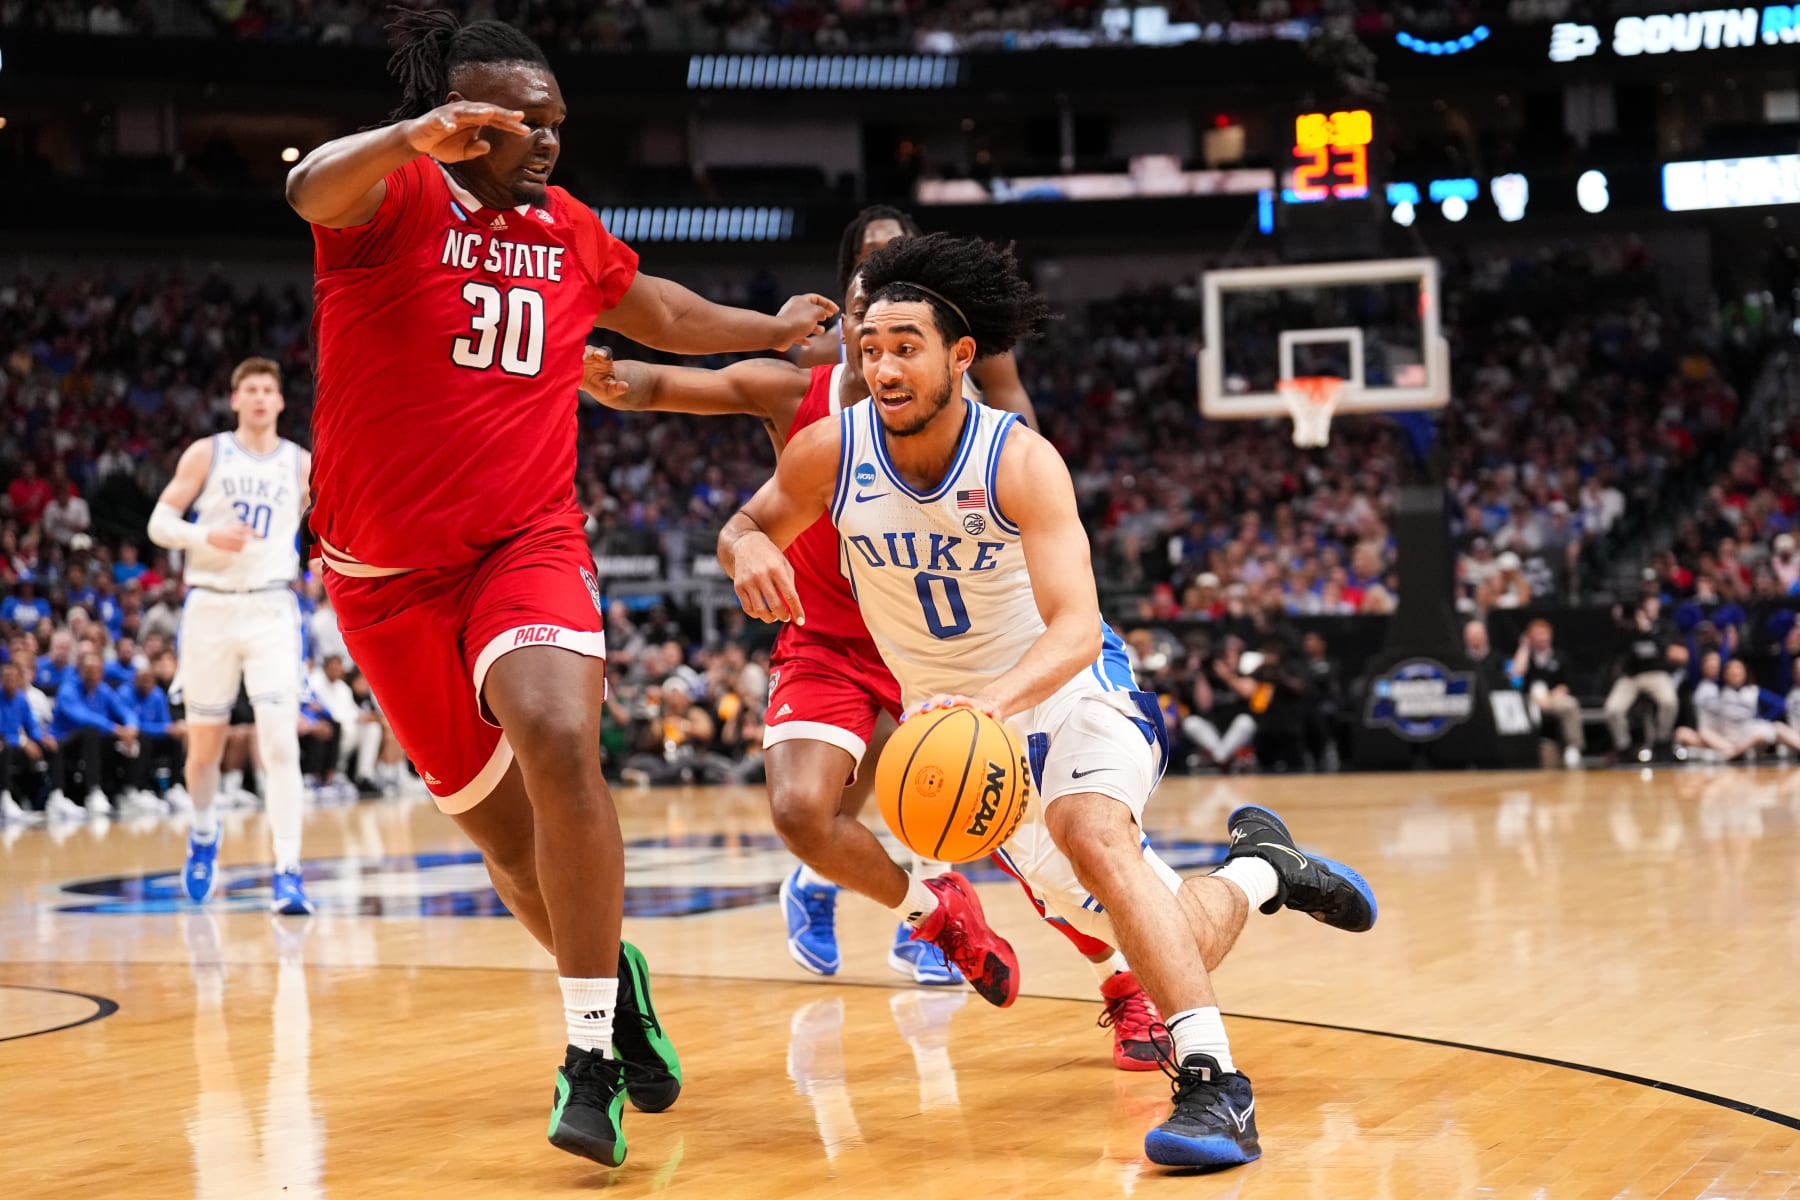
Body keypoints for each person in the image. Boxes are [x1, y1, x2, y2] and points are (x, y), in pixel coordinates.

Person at [282, 7, 832, 1166]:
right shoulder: (394, 200)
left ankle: (588, 1055)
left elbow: (664, 314)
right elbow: (307, 188)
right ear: (463, 121)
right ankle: (614, 984)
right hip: (382, 583)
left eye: (556, 120)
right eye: (526, 120)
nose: (548, 138)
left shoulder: (567, 227)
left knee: (559, 738)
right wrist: (409, 137)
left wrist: (777, 332)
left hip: (522, 542)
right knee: (511, 852)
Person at [718, 232, 1376, 1168]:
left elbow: (1075, 626)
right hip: (964, 732)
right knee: (1170, 938)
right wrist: (745, 545)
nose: (884, 367)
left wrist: (989, 703)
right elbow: (748, 522)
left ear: (959, 355)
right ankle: (1263, 873)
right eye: (871, 349)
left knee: (1089, 828)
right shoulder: (829, 451)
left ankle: (1215, 1087)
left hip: (1069, 687)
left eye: (906, 347)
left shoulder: (1018, 460)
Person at [584, 272, 1171, 1071]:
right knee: (801, 810)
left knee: (1025, 837)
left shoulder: (975, 428)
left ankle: (1122, 977)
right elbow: (657, 386)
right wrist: (591, 369)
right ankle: (933, 910)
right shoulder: (804, 404)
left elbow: (1023, 463)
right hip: (829, 639)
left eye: (906, 331)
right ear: (845, 319)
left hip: (944, 653)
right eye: (867, 318)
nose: (883, 348)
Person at [148, 356, 315, 915]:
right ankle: (203, 832)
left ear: (281, 401)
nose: (261, 397)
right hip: (210, 608)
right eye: (252, 389)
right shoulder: (208, 452)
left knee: (280, 744)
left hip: (271, 606)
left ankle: (288, 871)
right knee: (204, 750)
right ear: (236, 399)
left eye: (269, 389)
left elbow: (332, 525)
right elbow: (158, 523)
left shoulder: (301, 463)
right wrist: (205, 536)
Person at [50, 651, 138, 816]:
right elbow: (82, 717)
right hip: (63, 742)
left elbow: (125, 711)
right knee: (91, 732)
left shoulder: (103, 690)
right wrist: (115, 729)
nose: (92, 674)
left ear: (102, 672)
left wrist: (131, 727)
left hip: (94, 742)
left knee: (132, 740)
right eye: (88, 670)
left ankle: (128, 791)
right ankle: (94, 792)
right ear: (80, 670)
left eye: (96, 671)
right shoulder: (68, 689)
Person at [1602, 596, 1678, 760]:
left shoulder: (1662, 627)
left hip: (1656, 674)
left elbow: (1665, 651)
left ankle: (1662, 741)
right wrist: (1625, 626)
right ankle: (1624, 747)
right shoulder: (1627, 629)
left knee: (1669, 702)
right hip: (1632, 676)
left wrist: (1648, 630)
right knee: (1613, 709)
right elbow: (1618, 652)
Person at [1509, 618, 1584, 768]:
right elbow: (1516, 674)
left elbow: (1566, 686)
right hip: (1530, 700)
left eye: (1545, 633)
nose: (1542, 637)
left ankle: (1573, 747)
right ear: (1530, 636)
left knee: (1570, 704)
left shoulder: (1560, 657)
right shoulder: (1527, 656)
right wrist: (1524, 646)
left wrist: (1547, 699)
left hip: (1553, 698)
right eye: (1538, 634)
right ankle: (1520, 753)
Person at [1, 659, 59, 823]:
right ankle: (5, 798)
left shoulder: (21, 699)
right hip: (6, 744)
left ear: (19, 679)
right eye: (7, 677)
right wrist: (22, 742)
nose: (11, 681)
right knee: (4, 747)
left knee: (53, 747)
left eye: (14, 677)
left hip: (16, 746)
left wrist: (42, 738)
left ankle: (56, 796)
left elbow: (32, 727)